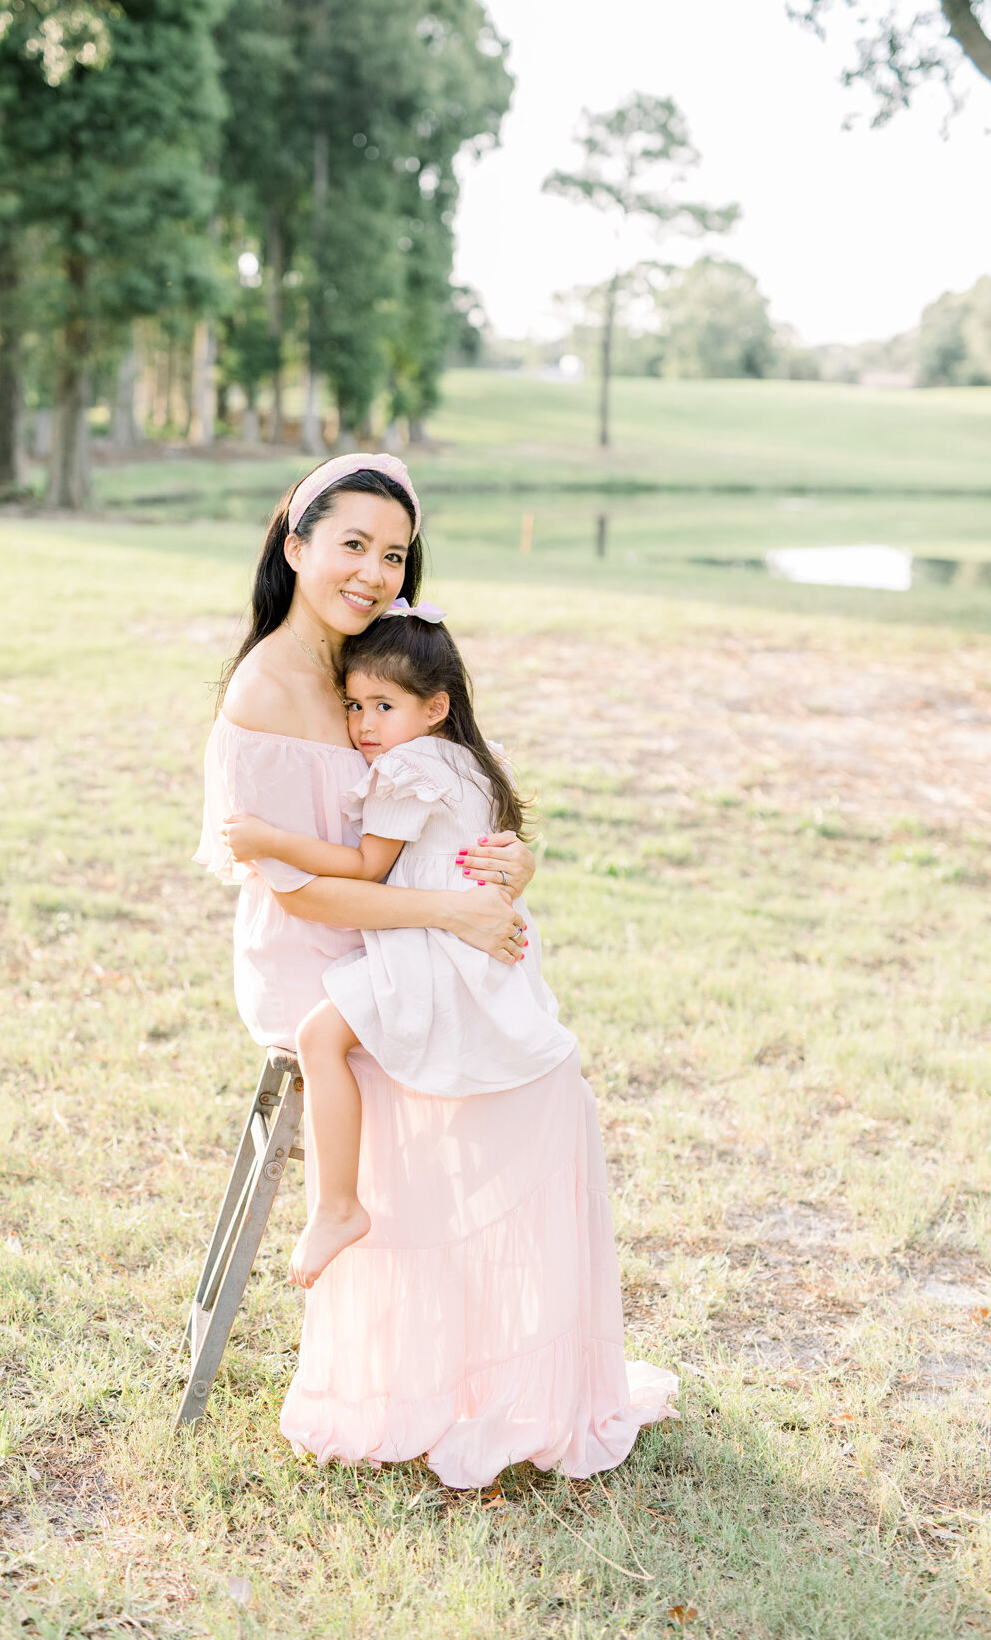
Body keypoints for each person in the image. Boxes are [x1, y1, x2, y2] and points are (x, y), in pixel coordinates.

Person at [194, 453, 676, 1490]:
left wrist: (504, 866)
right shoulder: (268, 686)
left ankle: (494, 1368)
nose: (372, 569)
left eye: (394, 552)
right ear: (295, 543)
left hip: (394, 938)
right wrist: (454, 911)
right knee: (534, 1087)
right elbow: (307, 891)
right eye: (351, 543)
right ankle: (421, 1354)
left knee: (553, 1082)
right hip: (317, 955)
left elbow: (455, 795)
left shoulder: (374, 665)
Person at [221, 605, 579, 1289]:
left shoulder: (408, 768)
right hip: (470, 954)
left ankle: (337, 1206)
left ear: (436, 706)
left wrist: (268, 839)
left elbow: (363, 867)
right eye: (355, 705)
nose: (364, 725)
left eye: (383, 705)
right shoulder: (472, 762)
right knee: (326, 1034)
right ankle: (345, 1208)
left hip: (438, 952)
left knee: (319, 1038)